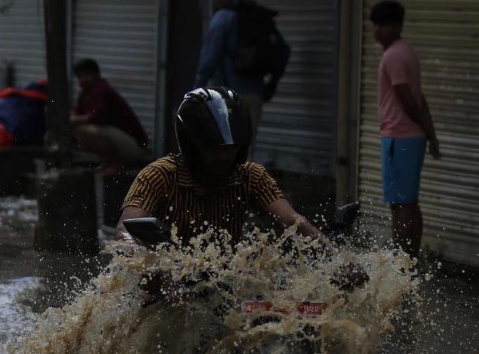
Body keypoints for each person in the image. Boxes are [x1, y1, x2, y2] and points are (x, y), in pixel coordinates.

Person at [116, 87, 324, 247]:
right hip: (165, 285)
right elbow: (126, 232)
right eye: (213, 149)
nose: (224, 156)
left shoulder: (251, 176)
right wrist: (150, 265)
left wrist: (334, 257)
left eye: (231, 148)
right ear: (193, 145)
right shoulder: (159, 175)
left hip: (222, 284)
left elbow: (292, 221)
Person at [370, 0, 440, 262]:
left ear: (397, 26)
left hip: (400, 136)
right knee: (407, 201)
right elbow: (418, 97)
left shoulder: (393, 56)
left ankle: (403, 261)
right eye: (375, 25)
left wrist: (423, 128)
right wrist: (430, 134)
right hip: (407, 136)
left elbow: (407, 98)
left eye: (383, 25)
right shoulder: (404, 53)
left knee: (400, 203)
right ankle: (409, 257)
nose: (377, 31)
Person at [194, 0, 277, 146]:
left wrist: (197, 90)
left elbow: (209, 59)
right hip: (255, 92)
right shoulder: (259, 14)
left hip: (228, 94)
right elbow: (283, 50)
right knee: (246, 147)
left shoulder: (223, 17)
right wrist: (271, 83)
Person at [70, 58, 151, 174]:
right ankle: (109, 161)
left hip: (134, 146)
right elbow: (77, 110)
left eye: (85, 76)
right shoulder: (86, 92)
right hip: (123, 142)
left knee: (87, 130)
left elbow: (97, 117)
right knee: (79, 130)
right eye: (80, 77)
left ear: (95, 75)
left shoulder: (101, 90)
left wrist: (74, 119)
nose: (82, 80)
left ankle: (116, 163)